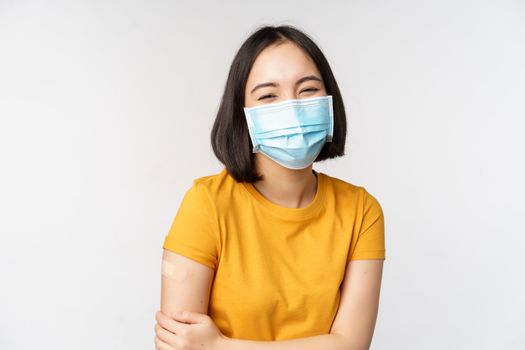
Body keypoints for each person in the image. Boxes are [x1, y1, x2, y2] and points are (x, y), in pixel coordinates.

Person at [154, 24, 386, 350]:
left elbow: (351, 345)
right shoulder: (206, 204)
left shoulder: (361, 211)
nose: (291, 106)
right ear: (243, 114)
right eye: (268, 95)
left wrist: (221, 346)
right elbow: (180, 346)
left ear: (329, 99)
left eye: (307, 90)